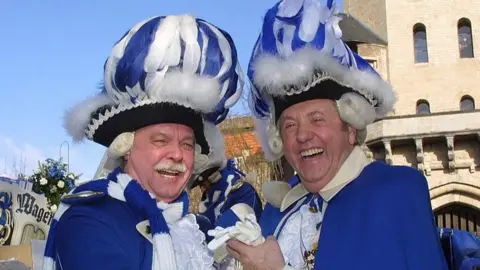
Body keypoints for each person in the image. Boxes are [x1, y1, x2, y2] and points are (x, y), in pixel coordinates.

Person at [224, 0, 449, 269]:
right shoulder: (276, 212)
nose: (303, 135)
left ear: (350, 128)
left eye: (317, 119)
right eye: (290, 125)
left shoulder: (396, 193)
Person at [41, 14, 245, 270]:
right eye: (161, 140)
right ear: (125, 147)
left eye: (186, 144)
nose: (177, 155)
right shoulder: (90, 219)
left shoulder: (193, 228)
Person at [189, 134, 263, 227]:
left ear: (213, 176)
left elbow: (231, 234)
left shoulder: (241, 192)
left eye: (204, 182)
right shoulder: (211, 197)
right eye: (200, 184)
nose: (202, 189)